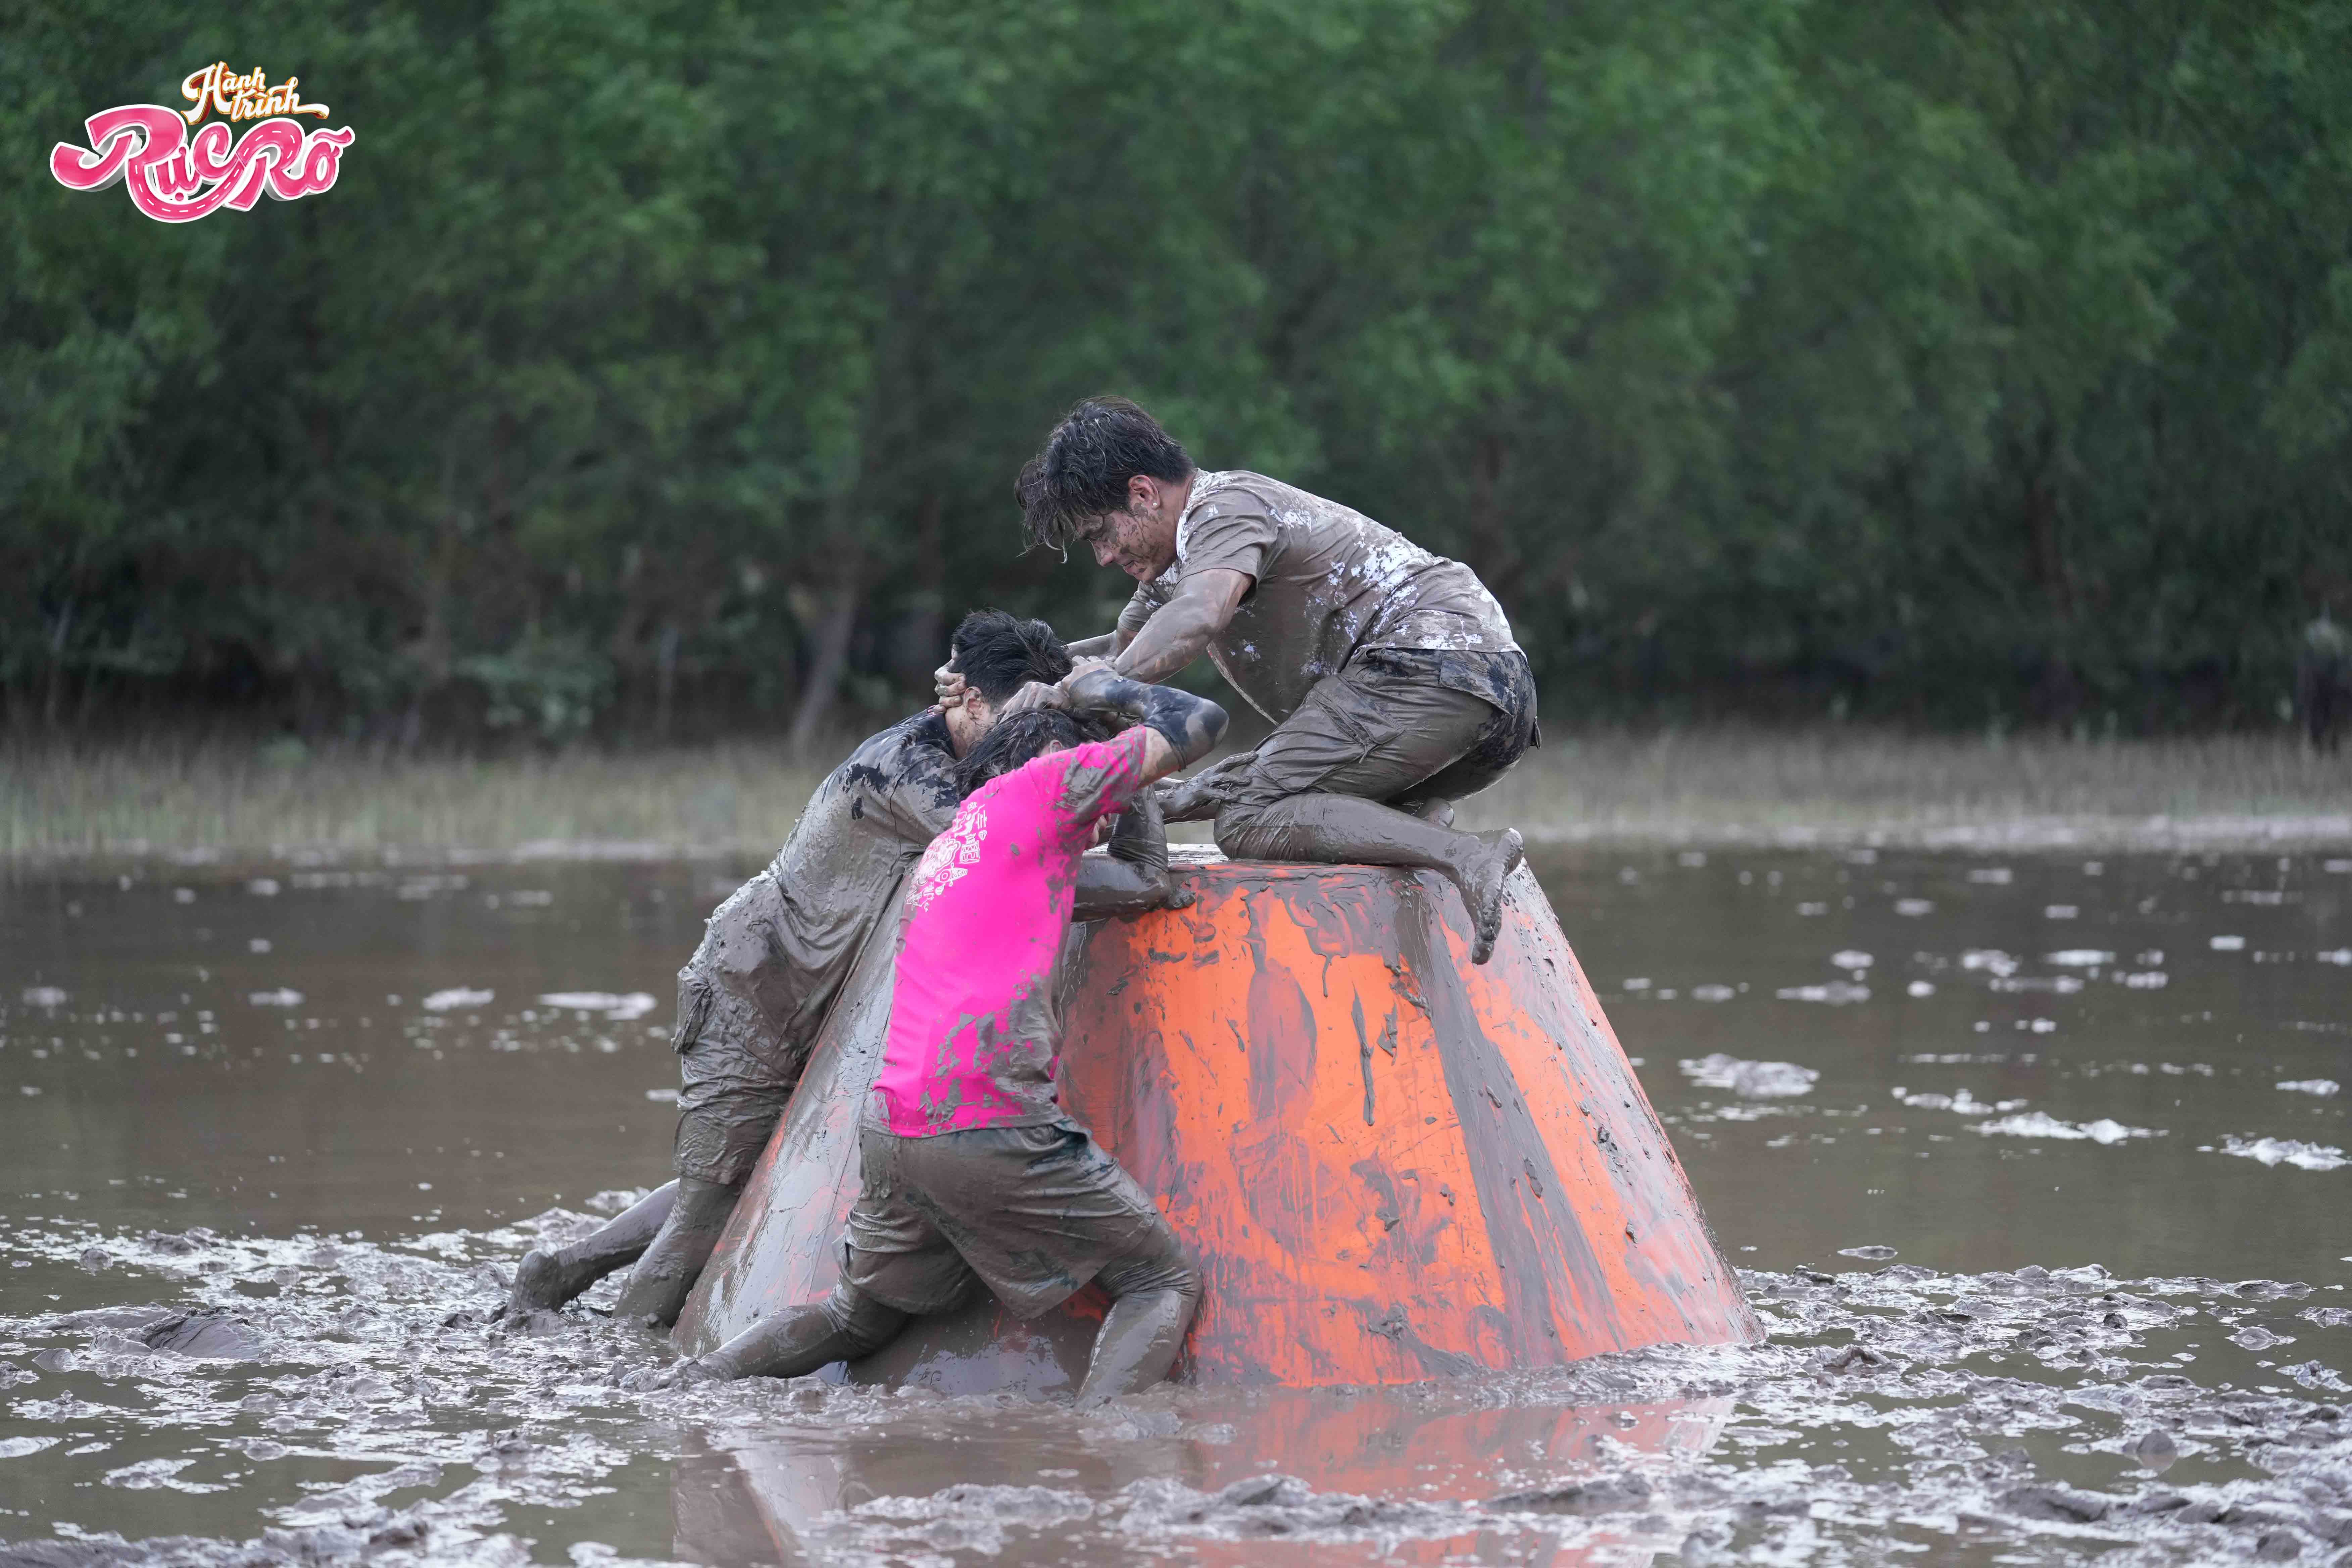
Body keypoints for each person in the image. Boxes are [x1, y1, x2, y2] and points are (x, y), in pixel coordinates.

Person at [504, 611, 1184, 1328]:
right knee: (710, 1205)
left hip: (797, 980)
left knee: (737, 1176)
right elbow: (1043, 849)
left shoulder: (962, 744)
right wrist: (1139, 769)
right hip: (755, 985)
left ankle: (563, 1270)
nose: (1037, 749)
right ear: (971, 701)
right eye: (1020, 720)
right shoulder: (913, 776)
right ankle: (622, 1367)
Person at [643, 668, 1227, 1404]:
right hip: (990, 1117)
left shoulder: (963, 844)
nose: (1101, 795)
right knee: (1161, 1276)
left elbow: (1142, 879)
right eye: (1086, 765)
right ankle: (1101, 1454)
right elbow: (1199, 722)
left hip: (895, 1127)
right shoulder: (1042, 788)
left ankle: (683, 1388)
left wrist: (1119, 782)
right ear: (1047, 755)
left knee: (858, 1314)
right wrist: (1105, 692)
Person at [973, 395, 1534, 965]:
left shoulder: (1223, 511)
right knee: (1228, 791)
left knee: (1248, 818)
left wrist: (1089, 689)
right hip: (1478, 694)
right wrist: (997, 683)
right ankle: (1413, 822)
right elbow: (1121, 650)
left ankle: (1464, 854)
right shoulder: (1179, 566)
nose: (1103, 557)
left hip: (1434, 670)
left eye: (1101, 534)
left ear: (1143, 495)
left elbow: (1196, 619)